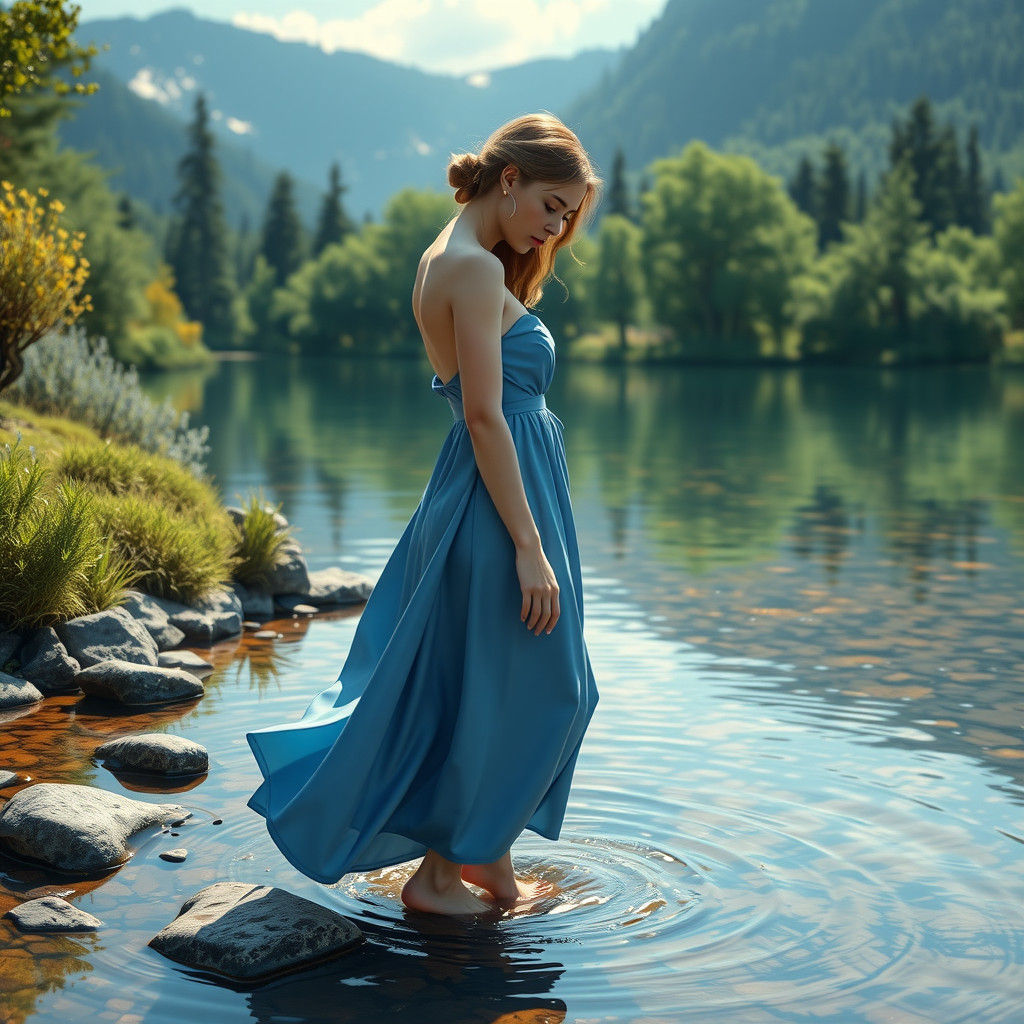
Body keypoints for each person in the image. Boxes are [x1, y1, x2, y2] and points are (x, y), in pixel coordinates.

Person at [245, 113, 601, 917]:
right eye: (551, 205)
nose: (557, 227)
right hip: (497, 503)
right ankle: (439, 880)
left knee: (488, 686)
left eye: (568, 215)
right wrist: (529, 547)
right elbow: (484, 416)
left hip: (484, 495)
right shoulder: (473, 269)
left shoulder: (451, 255)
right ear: (509, 180)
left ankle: (490, 868)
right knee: (554, 690)